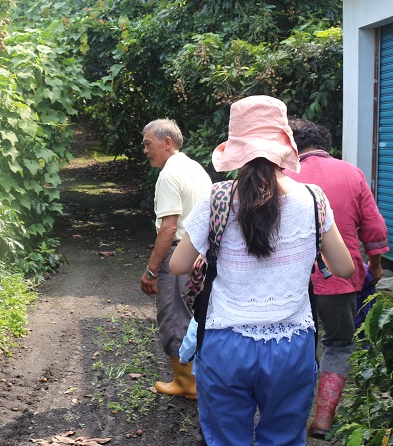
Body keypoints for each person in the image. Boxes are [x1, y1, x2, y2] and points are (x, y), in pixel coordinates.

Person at [169, 95, 355, 445]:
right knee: (283, 438)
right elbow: (344, 267)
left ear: (235, 146)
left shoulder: (219, 197)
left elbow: (178, 264)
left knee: (226, 439)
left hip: (226, 344)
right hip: (292, 345)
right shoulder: (313, 199)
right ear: (286, 143)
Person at [285, 118, 389, 439]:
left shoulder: (281, 177)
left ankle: (288, 415)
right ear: (324, 146)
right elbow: (375, 229)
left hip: (291, 281)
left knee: (294, 342)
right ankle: (323, 419)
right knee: (339, 343)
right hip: (339, 281)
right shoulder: (351, 174)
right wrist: (376, 265)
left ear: (293, 148)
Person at [139, 119, 212, 399]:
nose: (145, 150)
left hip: (180, 251)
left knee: (173, 315)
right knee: (195, 314)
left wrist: (151, 270)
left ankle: (185, 382)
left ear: (167, 142)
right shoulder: (195, 168)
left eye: (148, 144)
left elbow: (169, 228)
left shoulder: (169, 175)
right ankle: (197, 377)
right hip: (202, 252)